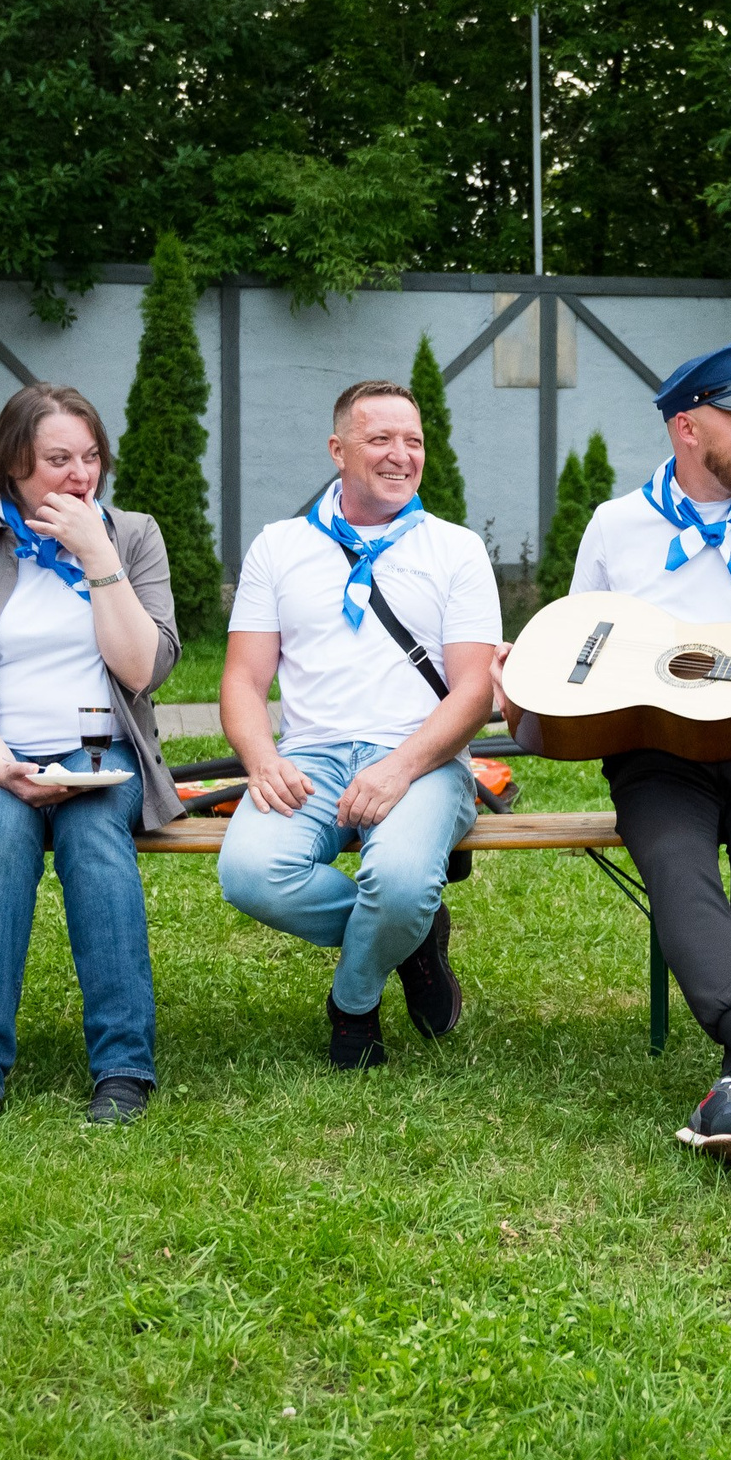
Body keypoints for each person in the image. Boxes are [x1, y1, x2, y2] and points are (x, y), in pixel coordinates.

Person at [504, 342, 731, 1173]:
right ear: (687, 427)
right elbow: (577, 642)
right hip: (657, 751)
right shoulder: (617, 526)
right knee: (678, 870)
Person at [0, 385, 179, 1127]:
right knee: (1, 834)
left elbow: (144, 669)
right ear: (13, 464)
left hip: (101, 750)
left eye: (90, 457)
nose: (80, 475)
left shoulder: (133, 535)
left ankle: (123, 1066)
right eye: (58, 459)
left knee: (93, 835)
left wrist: (98, 557)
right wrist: (2, 766)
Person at [217, 379, 500, 1068]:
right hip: (309, 758)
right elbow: (243, 680)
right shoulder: (279, 546)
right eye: (380, 439)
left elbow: (474, 691)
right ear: (337, 450)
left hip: (423, 759)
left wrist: (399, 768)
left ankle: (352, 1003)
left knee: (400, 883)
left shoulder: (457, 549)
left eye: (414, 441)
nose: (402, 455)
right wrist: (261, 758)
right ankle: (410, 940)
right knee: (250, 873)